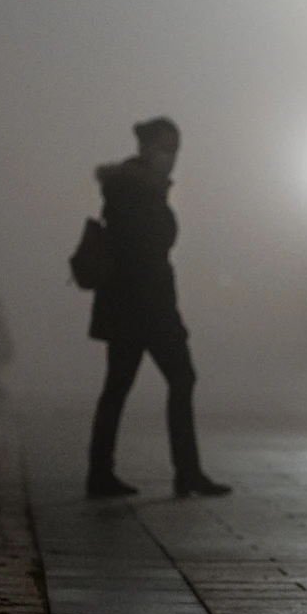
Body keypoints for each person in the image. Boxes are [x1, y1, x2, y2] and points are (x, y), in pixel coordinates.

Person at [85, 118, 230, 499]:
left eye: (176, 149)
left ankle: (103, 472)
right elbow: (148, 247)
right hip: (145, 305)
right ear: (147, 148)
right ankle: (185, 472)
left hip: (130, 305)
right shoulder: (136, 190)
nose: (172, 157)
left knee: (119, 387)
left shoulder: (135, 188)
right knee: (178, 379)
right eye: (166, 148)